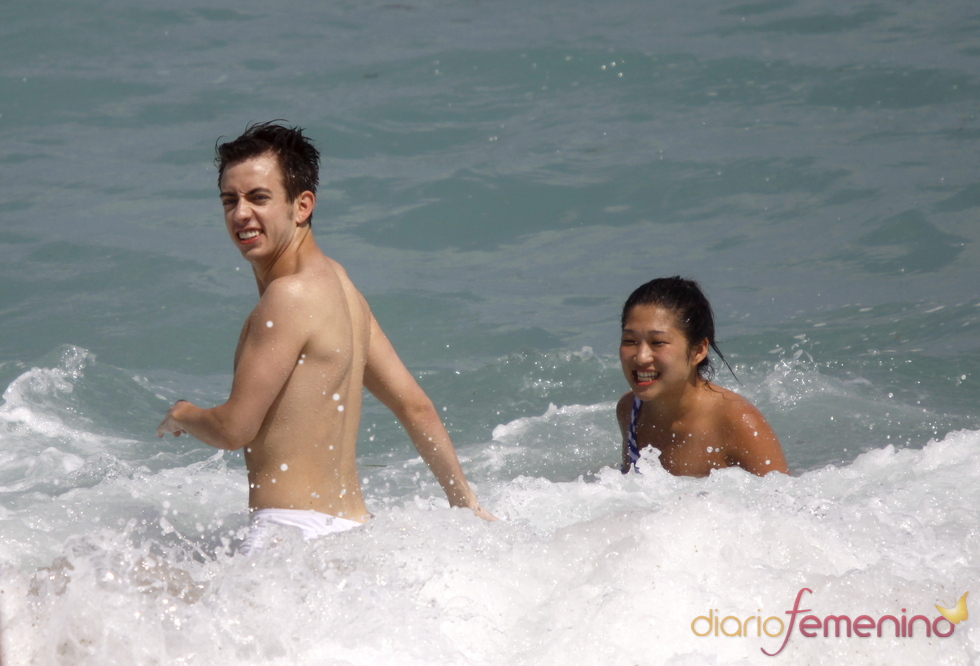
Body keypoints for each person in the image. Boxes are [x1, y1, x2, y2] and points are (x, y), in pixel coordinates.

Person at [157, 121, 493, 554]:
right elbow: (416, 407)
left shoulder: (288, 296)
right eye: (229, 200)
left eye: (258, 197)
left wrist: (183, 413)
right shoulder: (340, 285)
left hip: (287, 536)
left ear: (302, 206)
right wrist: (465, 504)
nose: (240, 213)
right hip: (354, 534)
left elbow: (234, 430)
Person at [617, 277, 788, 477]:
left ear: (698, 350)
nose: (641, 357)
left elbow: (786, 503)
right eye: (630, 341)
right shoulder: (630, 409)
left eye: (658, 342)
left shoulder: (738, 423)